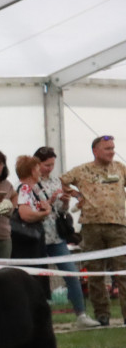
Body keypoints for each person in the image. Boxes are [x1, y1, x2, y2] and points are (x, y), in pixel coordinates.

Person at [61, 135, 126, 327]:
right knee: (96, 273)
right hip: (91, 226)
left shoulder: (120, 168)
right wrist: (75, 194)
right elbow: (61, 182)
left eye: (113, 148)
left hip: (118, 226)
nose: (111, 151)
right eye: (107, 148)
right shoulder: (82, 170)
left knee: (122, 272)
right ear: (95, 151)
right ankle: (102, 315)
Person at [33, 146, 99, 328]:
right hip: (37, 236)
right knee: (38, 279)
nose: (49, 168)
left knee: (71, 273)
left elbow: (61, 211)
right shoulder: (28, 184)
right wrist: (51, 201)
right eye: (46, 165)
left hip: (56, 236)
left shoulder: (56, 181)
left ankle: (81, 315)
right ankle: (39, 319)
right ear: (36, 163)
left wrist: (64, 202)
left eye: (52, 165)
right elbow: (29, 209)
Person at [11, 155, 51, 261]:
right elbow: (25, 215)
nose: (40, 173)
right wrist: (45, 213)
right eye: (38, 170)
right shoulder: (25, 188)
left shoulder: (17, 187)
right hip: (28, 242)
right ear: (33, 171)